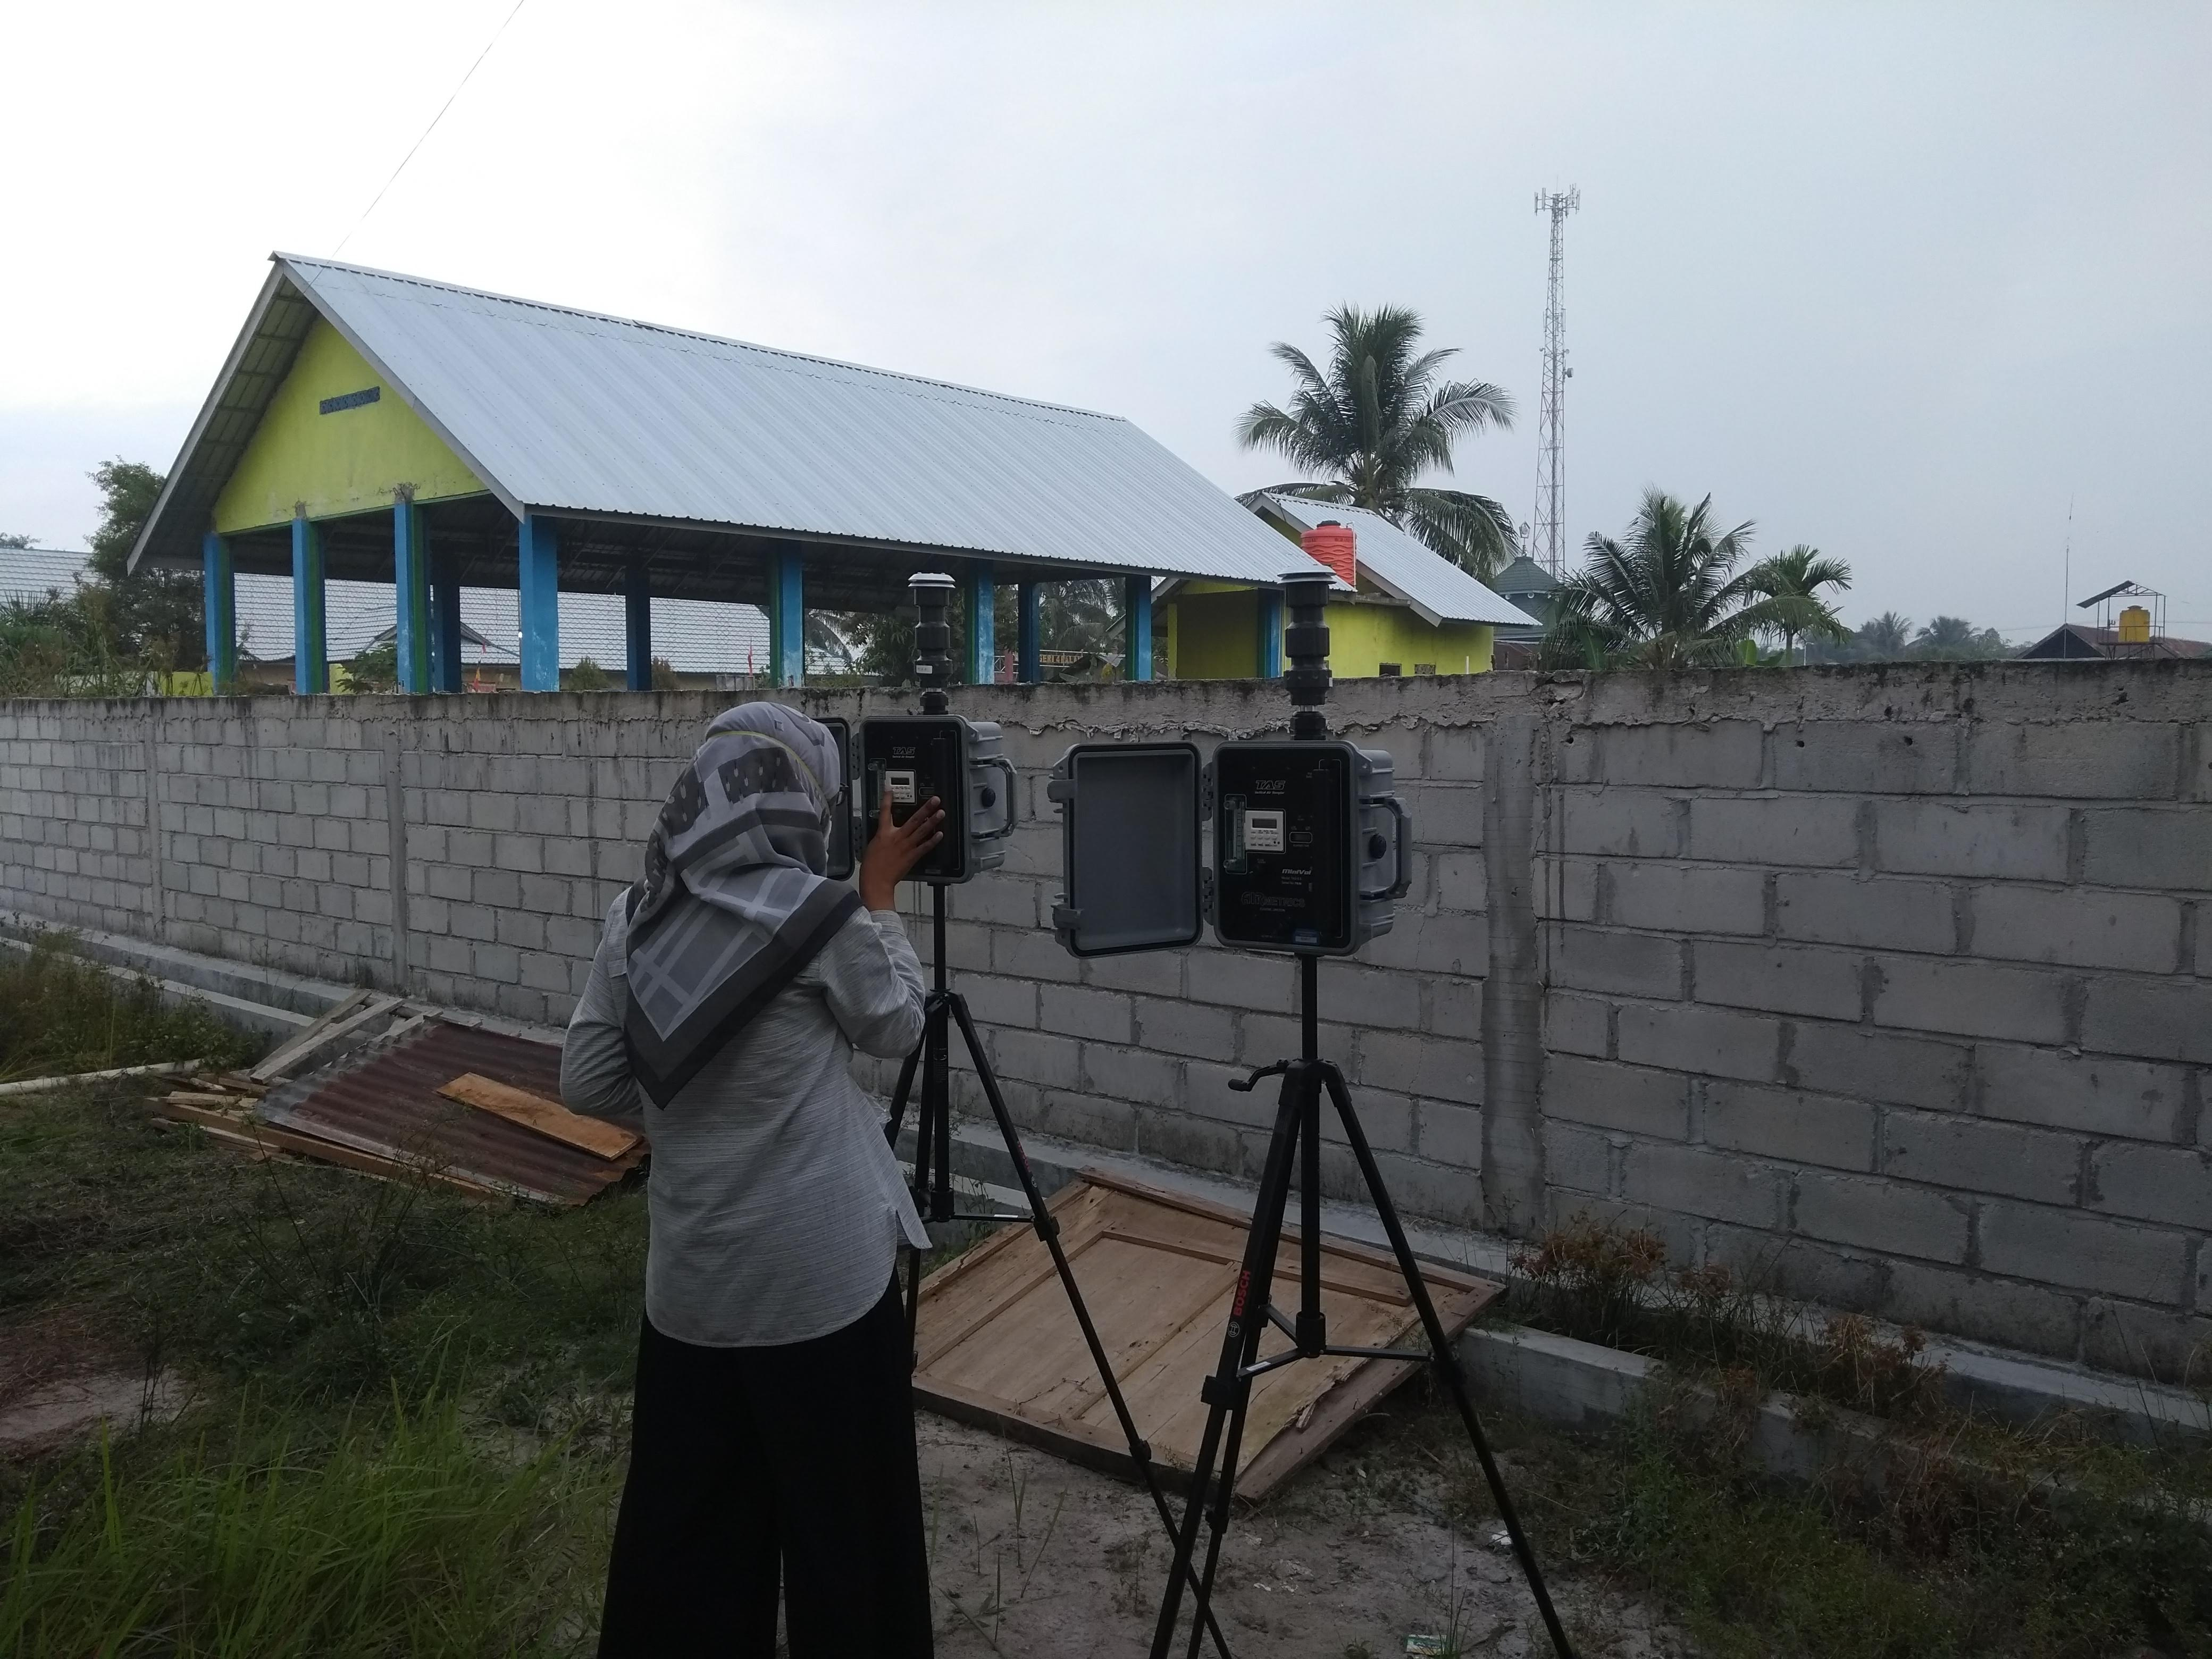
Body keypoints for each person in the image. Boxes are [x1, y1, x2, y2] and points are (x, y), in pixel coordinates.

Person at [562, 701, 946, 1658]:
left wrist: (697, 1120)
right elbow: (899, 1026)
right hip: (823, 1289)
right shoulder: (821, 917)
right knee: (845, 1540)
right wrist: (881, 897)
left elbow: (589, 1080)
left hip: (693, 1295)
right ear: (799, 800)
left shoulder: (637, 916)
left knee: (690, 1545)